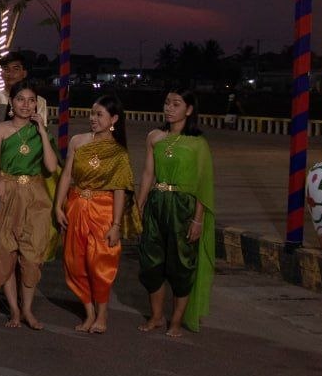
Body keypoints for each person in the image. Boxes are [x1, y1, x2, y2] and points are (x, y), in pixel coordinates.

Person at [134, 88, 216, 336]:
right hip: (157, 203)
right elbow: (148, 173)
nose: (169, 108)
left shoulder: (198, 143)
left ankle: (177, 321)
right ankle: (156, 317)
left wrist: (198, 220)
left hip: (183, 207)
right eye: (167, 103)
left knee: (182, 264)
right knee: (151, 262)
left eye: (176, 104)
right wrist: (139, 206)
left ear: (189, 110)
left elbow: (203, 184)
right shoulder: (154, 137)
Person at [54, 94, 138, 334]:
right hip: (77, 206)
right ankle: (89, 312)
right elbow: (67, 175)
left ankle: (102, 314)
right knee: (75, 261)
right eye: (92, 113)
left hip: (103, 211)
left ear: (114, 119)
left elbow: (119, 189)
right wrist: (58, 206)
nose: (93, 118)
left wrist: (116, 225)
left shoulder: (118, 153)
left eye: (99, 114)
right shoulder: (78, 141)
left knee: (100, 262)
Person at [0, 79, 59, 330]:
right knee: (6, 252)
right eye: (20, 99)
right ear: (11, 102)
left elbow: (51, 166)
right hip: (8, 192)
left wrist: (42, 132)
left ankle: (28, 309)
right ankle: (14, 310)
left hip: (35, 196)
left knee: (31, 255)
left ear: (37, 104)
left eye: (31, 101)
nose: (25, 105)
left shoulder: (41, 132)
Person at [0, 52, 49, 131]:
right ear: (1, 73)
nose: (10, 73)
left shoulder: (39, 101)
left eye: (16, 69)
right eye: (6, 69)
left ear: (24, 73)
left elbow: (43, 131)